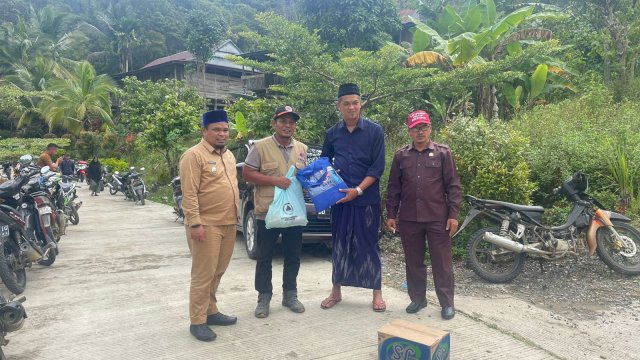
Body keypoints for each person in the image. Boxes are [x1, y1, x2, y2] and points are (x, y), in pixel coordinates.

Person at [385, 110, 462, 319]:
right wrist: (391, 214)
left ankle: (447, 303)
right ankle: (418, 298)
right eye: (416, 128)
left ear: (430, 128)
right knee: (413, 261)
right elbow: (394, 188)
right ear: (409, 131)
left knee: (442, 262)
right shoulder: (401, 155)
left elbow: (453, 186)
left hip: (438, 218)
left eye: (424, 127)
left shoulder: (443, 153)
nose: (420, 132)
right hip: (409, 219)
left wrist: (453, 214)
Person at [320, 83, 387, 312]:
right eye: (346, 103)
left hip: (366, 200)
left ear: (361, 104)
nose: (351, 107)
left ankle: (376, 293)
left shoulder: (375, 131)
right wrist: (325, 182)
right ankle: (335, 292)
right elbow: (324, 164)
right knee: (339, 245)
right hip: (339, 201)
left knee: (369, 245)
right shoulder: (332, 133)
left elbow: (377, 168)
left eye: (355, 102)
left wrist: (357, 190)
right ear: (339, 105)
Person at [179, 110, 240, 342]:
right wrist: (195, 223)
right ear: (204, 131)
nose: (222, 133)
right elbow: (189, 193)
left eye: (225, 129)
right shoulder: (193, 156)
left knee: (218, 271)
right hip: (206, 224)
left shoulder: (230, 155)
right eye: (216, 129)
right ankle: (197, 321)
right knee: (203, 274)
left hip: (228, 223)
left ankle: (211, 311)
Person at [242, 105, 308, 319]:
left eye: (291, 122)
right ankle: (264, 297)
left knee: (293, 256)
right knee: (264, 257)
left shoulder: (301, 148)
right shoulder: (260, 147)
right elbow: (247, 173)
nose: (288, 126)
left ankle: (290, 295)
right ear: (274, 124)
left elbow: (302, 177)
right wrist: (274, 180)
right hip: (267, 213)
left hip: (294, 213)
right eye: (283, 121)